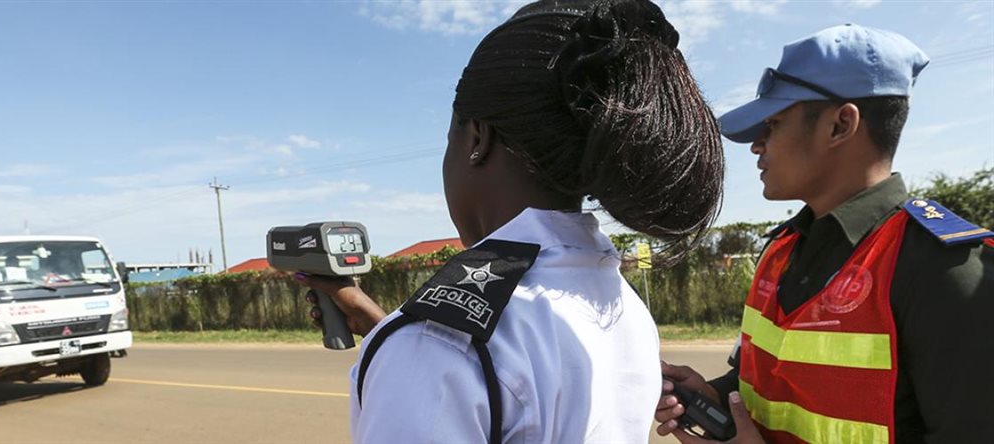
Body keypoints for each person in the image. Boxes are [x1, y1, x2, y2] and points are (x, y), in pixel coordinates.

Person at [293, 0, 725, 442]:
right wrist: (392, 331)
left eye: (450, 138)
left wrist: (408, 343)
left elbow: (460, 365)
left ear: (477, 139)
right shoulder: (619, 301)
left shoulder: (436, 348)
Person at [654, 24, 994, 444]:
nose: (757, 145)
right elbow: (765, 386)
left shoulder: (946, 269)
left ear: (840, 125)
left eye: (773, 124)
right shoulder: (780, 251)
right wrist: (717, 397)